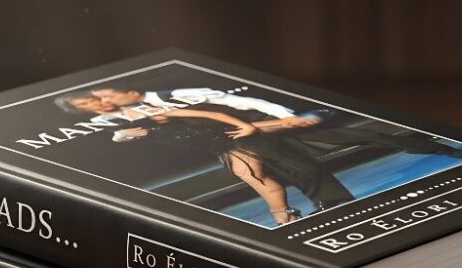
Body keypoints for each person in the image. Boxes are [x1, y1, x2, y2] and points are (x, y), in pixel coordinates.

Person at [59, 93, 355, 224]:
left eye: (91, 98)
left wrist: (248, 125)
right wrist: (125, 136)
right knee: (258, 176)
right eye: (86, 104)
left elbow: (209, 114)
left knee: (257, 175)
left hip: (226, 137)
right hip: (217, 145)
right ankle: (286, 215)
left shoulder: (146, 108)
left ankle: (285, 218)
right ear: (83, 111)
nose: (94, 103)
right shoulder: (109, 124)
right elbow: (116, 137)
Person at [92, 86, 462, 160]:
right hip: (245, 140)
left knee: (363, 135)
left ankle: (440, 146)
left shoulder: (181, 95)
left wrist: (284, 117)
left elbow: (237, 103)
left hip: (263, 125)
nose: (107, 102)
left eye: (108, 96)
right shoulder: (138, 120)